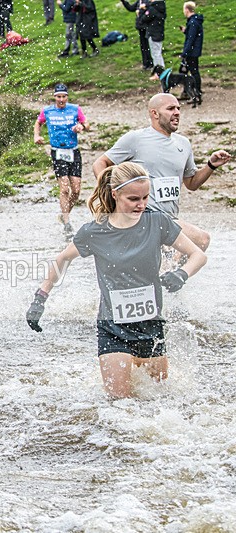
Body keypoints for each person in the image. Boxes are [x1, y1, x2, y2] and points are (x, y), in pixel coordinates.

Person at [26, 162, 206, 398]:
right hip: (112, 327)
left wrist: (181, 274)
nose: (141, 204)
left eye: (145, 197)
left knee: (157, 399)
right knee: (119, 404)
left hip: (151, 325)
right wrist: (40, 298)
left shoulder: (157, 222)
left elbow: (198, 254)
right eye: (133, 199)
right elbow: (62, 260)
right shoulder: (94, 232)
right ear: (115, 194)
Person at [92, 93, 231, 252]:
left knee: (182, 252)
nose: (177, 112)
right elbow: (100, 163)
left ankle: (172, 269)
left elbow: (191, 183)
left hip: (169, 218)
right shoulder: (136, 139)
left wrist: (211, 165)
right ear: (155, 113)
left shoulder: (183, 143)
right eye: (171, 108)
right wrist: (112, 193)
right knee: (201, 239)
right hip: (144, 215)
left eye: (178, 108)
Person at [34, 83, 88, 237]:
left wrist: (81, 127)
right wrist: (37, 136)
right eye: (59, 96)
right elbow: (38, 122)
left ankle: (64, 214)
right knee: (64, 189)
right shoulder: (47, 111)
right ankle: (67, 222)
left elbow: (86, 123)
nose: (61, 99)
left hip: (73, 151)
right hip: (57, 152)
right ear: (54, 97)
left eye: (64, 96)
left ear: (67, 97)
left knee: (76, 190)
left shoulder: (75, 109)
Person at [179, 2, 203, 108]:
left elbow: (191, 39)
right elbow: (192, 35)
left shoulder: (193, 22)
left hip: (192, 52)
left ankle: (196, 93)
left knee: (193, 72)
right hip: (194, 51)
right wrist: (186, 31)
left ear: (187, 10)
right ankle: (188, 91)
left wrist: (185, 52)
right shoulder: (194, 21)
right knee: (185, 71)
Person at [121, 0, 153, 71]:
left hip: (147, 26)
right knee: (143, 45)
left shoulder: (147, 1)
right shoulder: (139, 1)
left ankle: (150, 63)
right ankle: (146, 63)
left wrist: (142, 10)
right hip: (141, 27)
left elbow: (151, 8)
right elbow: (131, 8)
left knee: (148, 45)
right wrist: (124, 1)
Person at [143, 0, 166, 80]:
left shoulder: (152, 9)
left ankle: (159, 73)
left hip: (153, 34)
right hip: (159, 33)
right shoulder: (161, 7)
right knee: (158, 53)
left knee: (155, 54)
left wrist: (143, 11)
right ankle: (162, 70)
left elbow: (144, 18)